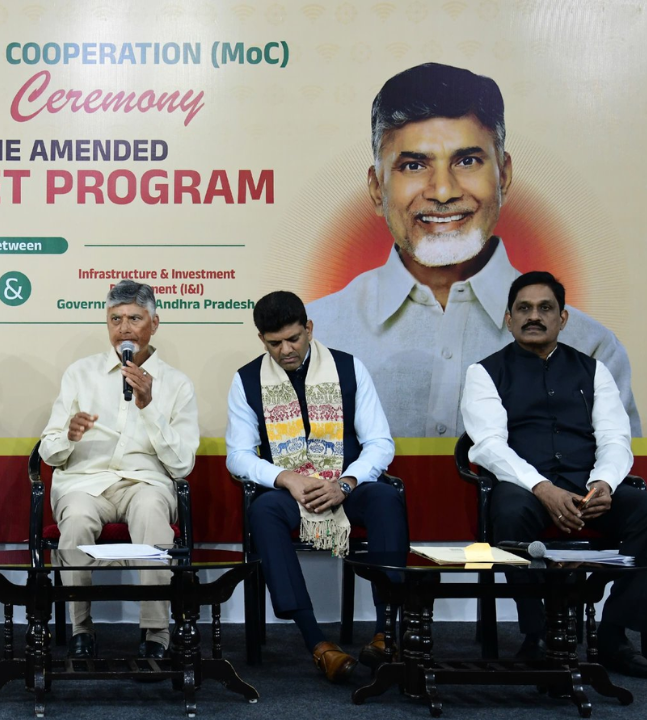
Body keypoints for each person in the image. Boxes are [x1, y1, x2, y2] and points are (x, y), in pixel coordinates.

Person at [307, 62, 638, 438]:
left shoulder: (590, 348)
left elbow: (616, 470)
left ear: (504, 176)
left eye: (467, 161)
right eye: (414, 165)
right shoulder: (314, 337)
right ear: (377, 188)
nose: (443, 191)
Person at [462, 271, 647, 676]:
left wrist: (603, 483)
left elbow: (615, 437)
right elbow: (489, 446)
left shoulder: (593, 370)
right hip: (525, 488)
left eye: (545, 308)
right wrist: (542, 487)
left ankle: (614, 633)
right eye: (524, 308)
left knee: (643, 508)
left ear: (562, 319)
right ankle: (537, 634)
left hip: (586, 486)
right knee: (508, 511)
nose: (534, 316)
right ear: (508, 318)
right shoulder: (485, 372)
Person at [225, 291, 405, 682]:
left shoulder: (349, 368)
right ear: (261, 340)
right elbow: (237, 455)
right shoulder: (247, 380)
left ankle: (386, 632)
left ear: (309, 328)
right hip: (291, 492)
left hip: (347, 485)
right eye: (275, 343)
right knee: (263, 511)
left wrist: (347, 482)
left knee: (386, 498)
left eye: (294, 338)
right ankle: (317, 643)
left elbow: (379, 443)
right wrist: (285, 478)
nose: (286, 350)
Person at [39, 279, 200, 660]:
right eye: (116, 319)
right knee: (76, 520)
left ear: (154, 323)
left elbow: (182, 464)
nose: (124, 329)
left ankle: (156, 632)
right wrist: (69, 436)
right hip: (84, 483)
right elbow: (49, 452)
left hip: (145, 484)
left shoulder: (177, 384)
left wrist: (149, 406)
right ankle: (81, 629)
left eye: (134, 319)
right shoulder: (80, 374)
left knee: (151, 511)